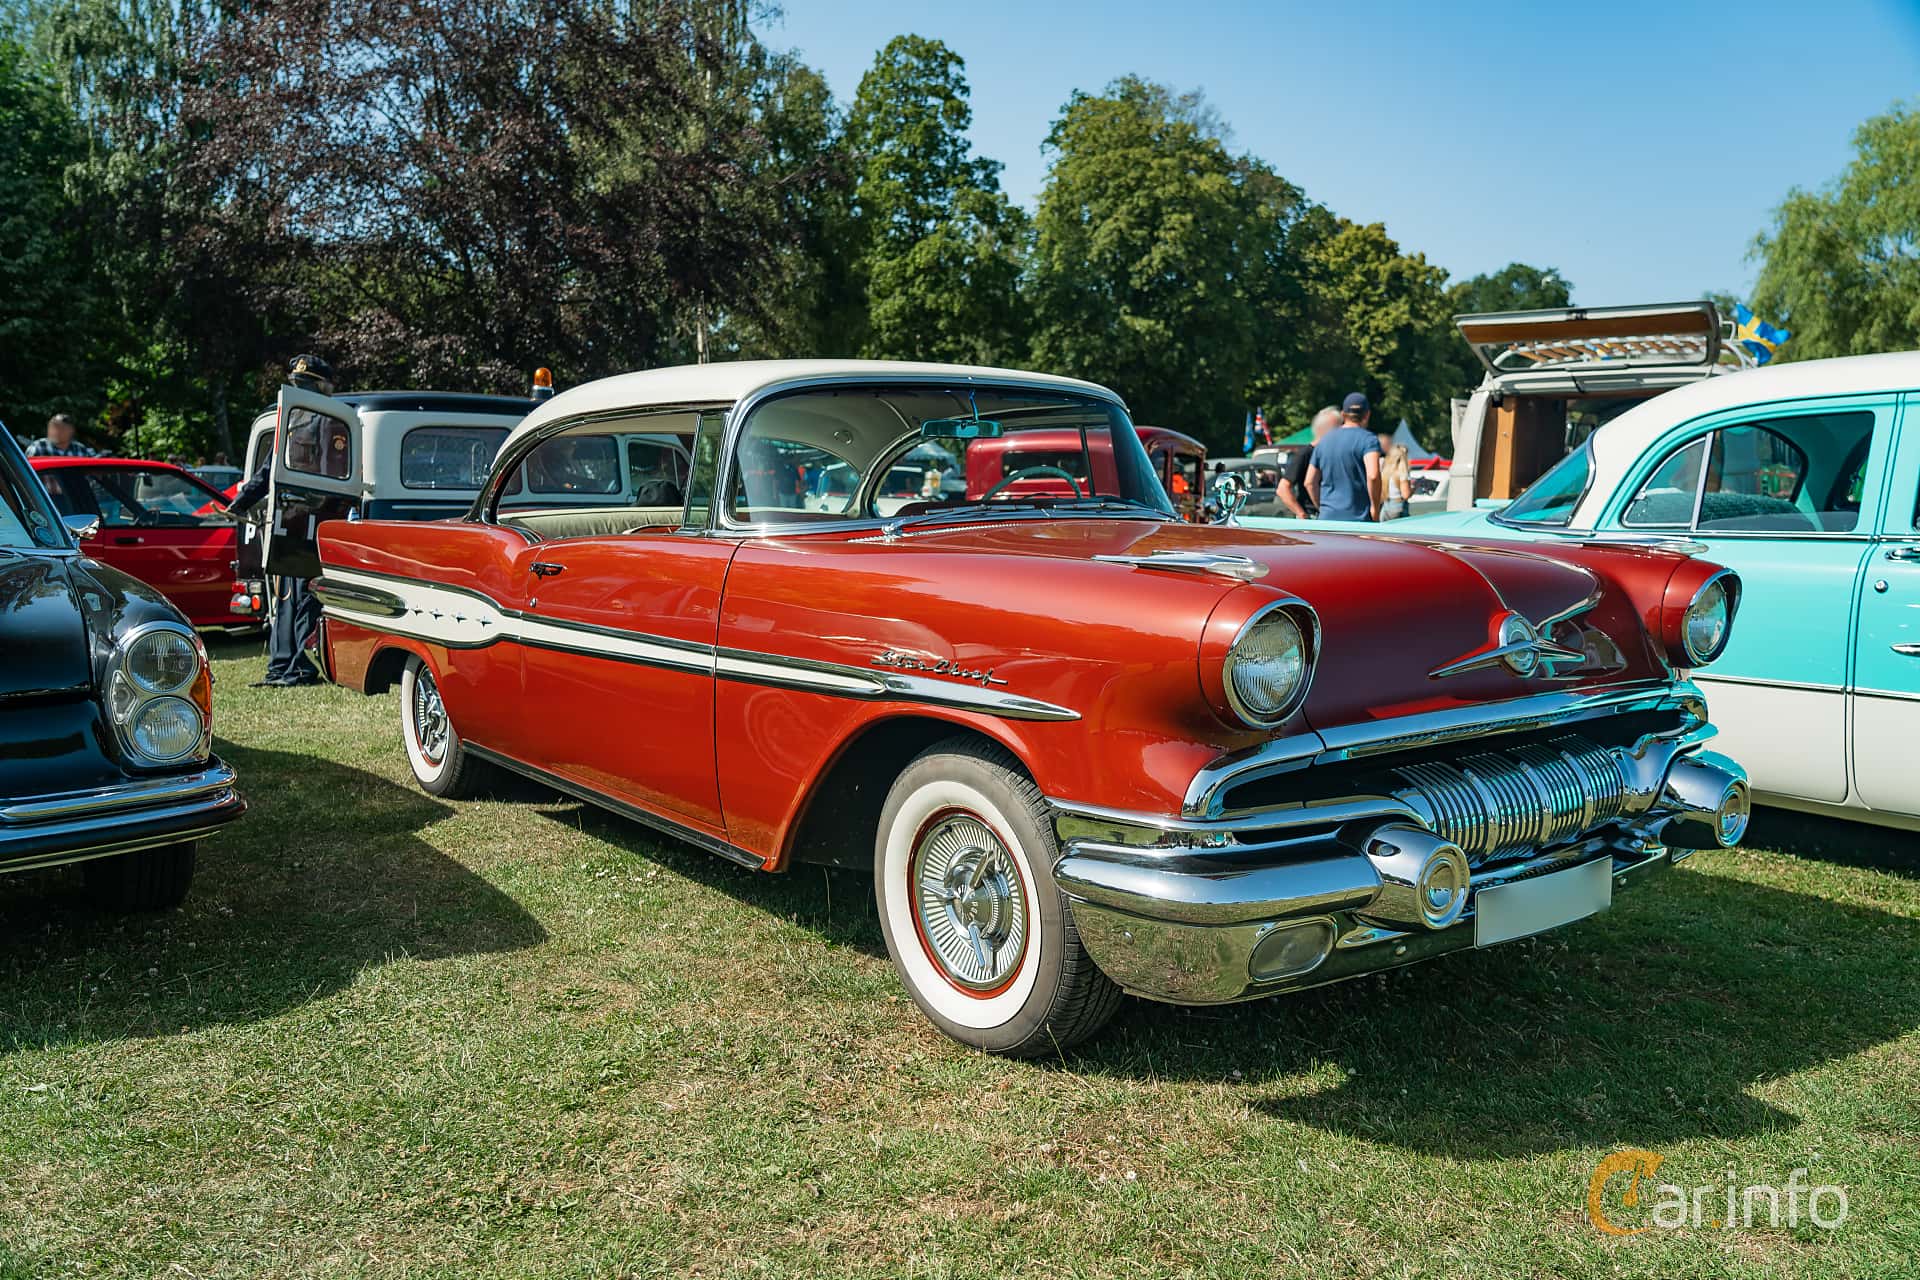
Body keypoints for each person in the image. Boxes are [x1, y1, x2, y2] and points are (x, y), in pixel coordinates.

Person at [229, 353, 335, 688]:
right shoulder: (290, 422)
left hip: (313, 520)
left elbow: (331, 475)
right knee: (286, 596)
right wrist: (240, 503)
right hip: (289, 518)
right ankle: (282, 665)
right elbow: (268, 471)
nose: (299, 391)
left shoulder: (327, 422)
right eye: (297, 384)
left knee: (304, 596)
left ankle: (299, 665)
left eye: (305, 385)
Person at [1305, 393, 1383, 522]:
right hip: (1358, 520)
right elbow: (1373, 475)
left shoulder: (1324, 440)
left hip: (1327, 520)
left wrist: (1323, 508)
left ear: (1343, 414)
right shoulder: (1369, 440)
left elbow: (1309, 482)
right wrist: (1375, 508)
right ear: (1367, 414)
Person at [1277, 407, 1340, 518]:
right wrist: (1301, 514)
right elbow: (1283, 488)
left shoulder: (1332, 453)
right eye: (1339, 427)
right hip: (1312, 516)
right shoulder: (1305, 453)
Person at [1377, 430, 1413, 521]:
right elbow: (1406, 494)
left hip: (1385, 505)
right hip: (1398, 506)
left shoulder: (1385, 471)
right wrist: (1414, 487)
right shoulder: (1402, 473)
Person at [27, 413, 96, 458]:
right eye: (52, 427)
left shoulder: (80, 450)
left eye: (60, 428)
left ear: (71, 430)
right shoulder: (38, 448)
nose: (55, 431)